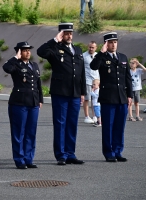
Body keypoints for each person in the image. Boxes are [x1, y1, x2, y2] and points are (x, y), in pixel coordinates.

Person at [37, 23, 86, 165]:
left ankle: (71, 153)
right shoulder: (55, 49)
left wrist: (82, 92)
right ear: (61, 34)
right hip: (61, 92)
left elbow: (81, 72)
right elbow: (41, 52)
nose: (69, 36)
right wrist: (55, 40)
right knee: (60, 123)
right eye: (66, 33)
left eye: (71, 33)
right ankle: (61, 155)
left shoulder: (77, 49)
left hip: (75, 93)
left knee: (72, 123)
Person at [90, 32, 132, 162]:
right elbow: (93, 66)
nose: (113, 45)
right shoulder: (101, 57)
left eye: (115, 42)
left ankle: (118, 151)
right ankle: (109, 153)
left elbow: (128, 78)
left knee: (120, 127)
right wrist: (101, 53)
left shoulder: (123, 57)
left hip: (121, 98)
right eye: (110, 42)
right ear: (106, 44)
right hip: (108, 98)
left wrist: (130, 95)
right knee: (108, 127)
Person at [3, 42, 43, 169]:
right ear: (19, 52)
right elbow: (6, 68)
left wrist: (40, 99)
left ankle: (28, 158)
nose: (28, 52)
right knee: (18, 132)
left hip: (33, 102)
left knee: (31, 132)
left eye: (29, 50)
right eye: (25, 50)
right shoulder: (16, 65)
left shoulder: (34, 65)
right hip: (19, 103)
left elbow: (38, 84)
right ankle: (19, 159)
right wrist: (15, 57)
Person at [83, 41, 99, 124]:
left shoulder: (98, 55)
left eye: (93, 47)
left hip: (96, 81)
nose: (91, 49)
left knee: (95, 99)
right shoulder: (84, 56)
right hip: (87, 80)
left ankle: (94, 116)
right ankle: (87, 116)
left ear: (96, 48)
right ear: (88, 47)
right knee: (87, 99)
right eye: (90, 47)